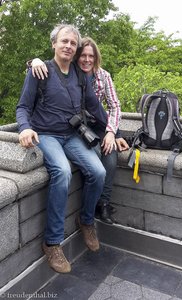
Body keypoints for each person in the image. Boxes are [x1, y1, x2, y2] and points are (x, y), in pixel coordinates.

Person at [16, 24, 117, 274]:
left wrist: (115, 132)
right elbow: (22, 107)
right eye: (64, 41)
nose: (69, 46)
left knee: (99, 172)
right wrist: (25, 129)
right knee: (62, 172)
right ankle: (52, 242)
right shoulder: (39, 71)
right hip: (47, 136)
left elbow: (97, 109)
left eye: (73, 43)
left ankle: (86, 221)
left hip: (72, 135)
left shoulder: (79, 76)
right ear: (54, 44)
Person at [30, 37, 129, 224]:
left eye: (91, 56)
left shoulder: (103, 76)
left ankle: (103, 203)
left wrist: (113, 133)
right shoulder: (70, 73)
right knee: (81, 163)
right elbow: (43, 70)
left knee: (109, 153)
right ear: (76, 56)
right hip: (74, 128)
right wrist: (33, 61)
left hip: (97, 126)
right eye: (83, 55)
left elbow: (110, 108)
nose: (87, 60)